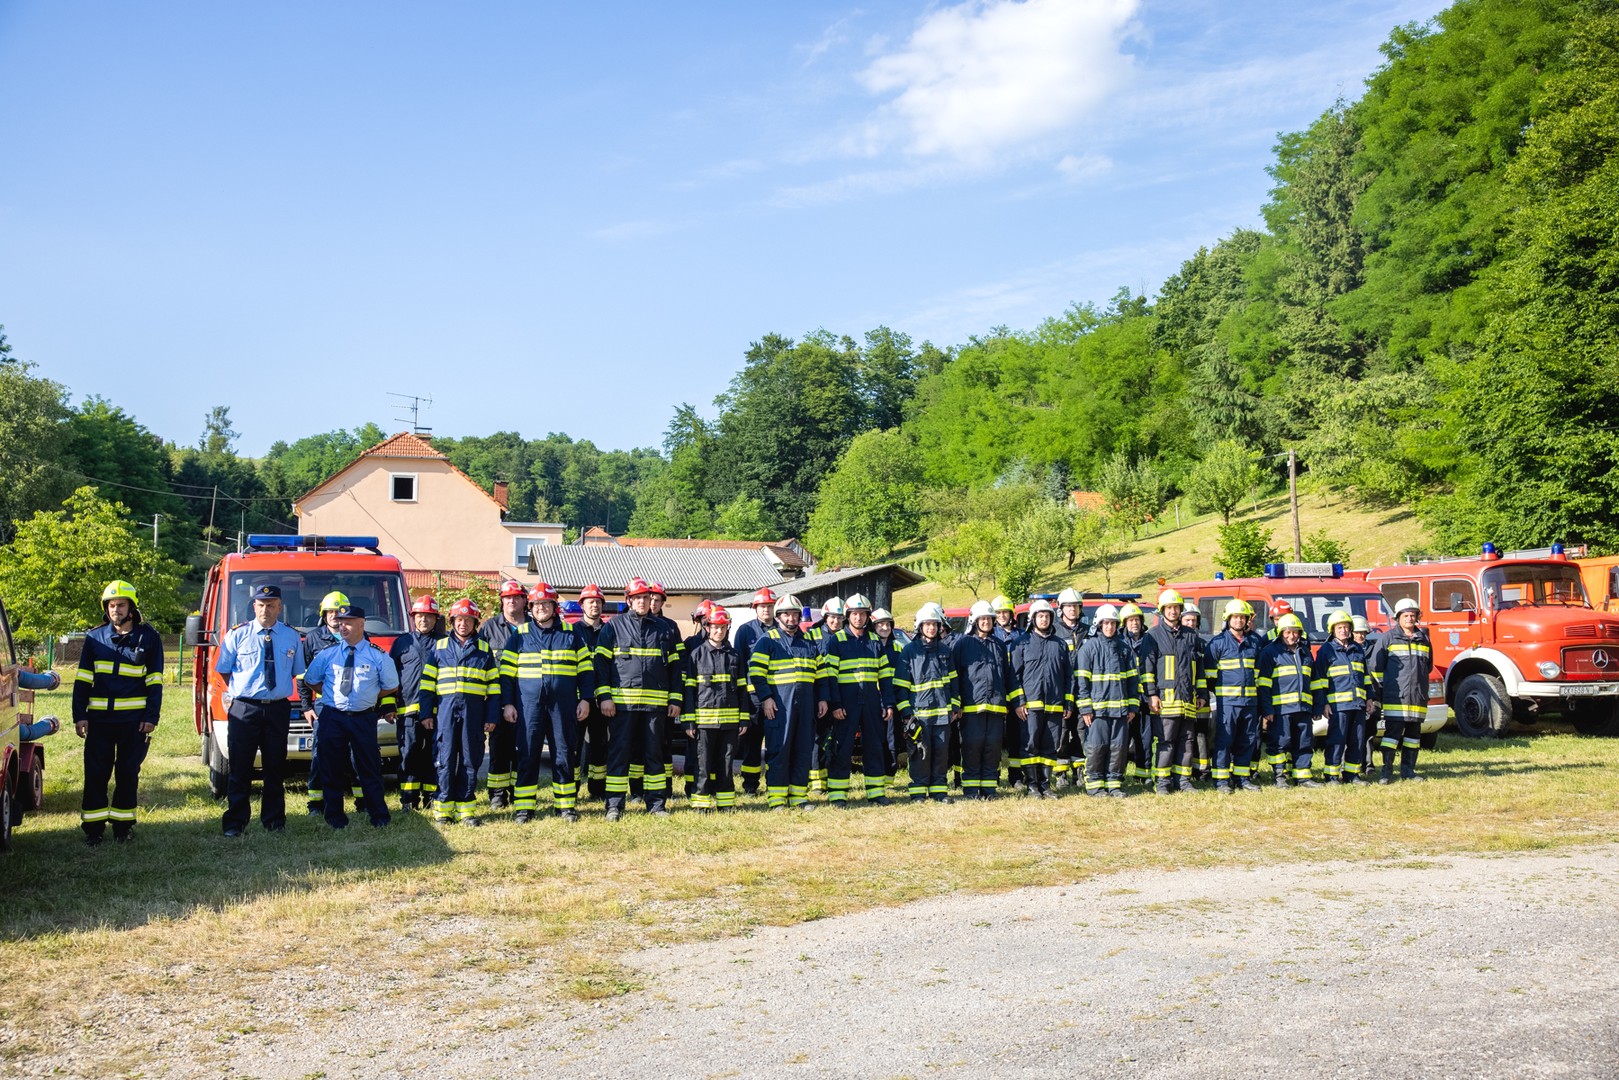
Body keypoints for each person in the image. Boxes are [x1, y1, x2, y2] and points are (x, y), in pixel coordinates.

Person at [73, 580, 164, 845]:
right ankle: (93, 829)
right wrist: (80, 715)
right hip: (99, 721)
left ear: (131, 608)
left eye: (120, 605)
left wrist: (151, 716)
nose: (115, 610)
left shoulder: (149, 638)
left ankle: (123, 827)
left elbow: (155, 681)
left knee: (127, 773)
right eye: (111, 605)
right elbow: (82, 680)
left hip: (133, 722)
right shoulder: (94, 638)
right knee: (96, 773)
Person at [214, 583, 306, 835]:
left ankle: (274, 822)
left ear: (280, 607)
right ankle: (235, 823)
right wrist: (242, 691)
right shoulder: (237, 635)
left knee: (275, 768)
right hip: (245, 709)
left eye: (271, 605)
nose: (266, 610)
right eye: (261, 605)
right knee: (240, 768)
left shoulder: (291, 636)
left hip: (277, 709)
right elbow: (224, 669)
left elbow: (297, 670)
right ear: (254, 606)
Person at [501, 583, 595, 822]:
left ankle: (565, 807)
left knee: (564, 753)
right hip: (528, 706)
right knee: (527, 753)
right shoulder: (519, 636)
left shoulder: (571, 634)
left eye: (546, 604)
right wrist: (508, 704)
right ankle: (524, 808)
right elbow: (506, 675)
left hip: (562, 706)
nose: (541, 608)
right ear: (530, 607)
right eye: (536, 604)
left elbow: (586, 671)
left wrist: (585, 699)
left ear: (554, 607)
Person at [301, 603, 399, 830]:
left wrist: (369, 694)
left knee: (369, 767)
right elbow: (311, 680)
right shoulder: (328, 654)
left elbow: (390, 686)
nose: (342, 626)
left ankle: (379, 816)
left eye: (348, 622)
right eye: (340, 622)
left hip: (363, 718)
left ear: (361, 624)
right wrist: (329, 695)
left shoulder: (378, 656)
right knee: (331, 768)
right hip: (332, 717)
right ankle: (335, 817)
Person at [594, 577, 683, 820]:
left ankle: (656, 805)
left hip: (655, 706)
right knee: (619, 755)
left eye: (646, 597)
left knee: (654, 755)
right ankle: (614, 805)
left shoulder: (664, 629)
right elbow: (601, 665)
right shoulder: (613, 627)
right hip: (622, 706)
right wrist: (604, 697)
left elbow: (676, 668)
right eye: (638, 598)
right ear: (629, 600)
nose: (643, 601)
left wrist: (675, 699)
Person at [747, 593, 825, 810]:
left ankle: (799, 797)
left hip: (807, 705)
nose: (790, 618)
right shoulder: (768, 641)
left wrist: (823, 699)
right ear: (779, 616)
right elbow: (756, 672)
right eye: (786, 614)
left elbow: (821, 674)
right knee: (779, 749)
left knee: (803, 749)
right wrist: (766, 698)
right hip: (780, 706)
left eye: (794, 614)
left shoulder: (808, 642)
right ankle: (777, 799)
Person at [821, 593, 895, 806]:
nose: (859, 618)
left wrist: (887, 703)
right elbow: (830, 676)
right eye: (855, 614)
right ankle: (837, 795)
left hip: (872, 703)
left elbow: (885, 676)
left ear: (867, 617)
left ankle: (875, 793)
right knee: (842, 748)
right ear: (848, 616)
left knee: (874, 746)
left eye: (863, 614)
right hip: (846, 704)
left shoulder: (874, 641)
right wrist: (835, 704)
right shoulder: (837, 641)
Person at [682, 606, 752, 812]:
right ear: (708, 627)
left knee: (726, 764)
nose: (719, 631)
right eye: (715, 627)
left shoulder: (735, 656)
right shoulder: (696, 654)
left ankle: (725, 804)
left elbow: (742, 690)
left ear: (727, 628)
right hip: (703, 723)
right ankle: (700, 805)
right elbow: (689, 691)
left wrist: (744, 719)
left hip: (730, 723)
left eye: (722, 627)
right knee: (702, 765)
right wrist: (688, 721)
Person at [951, 600, 1018, 800]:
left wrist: (1006, 703)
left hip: (996, 707)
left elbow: (1006, 675)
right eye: (983, 619)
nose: (987, 622)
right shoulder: (962, 644)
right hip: (971, 708)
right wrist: (957, 703)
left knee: (992, 749)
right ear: (974, 620)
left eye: (989, 619)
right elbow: (954, 676)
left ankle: (989, 789)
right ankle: (971, 791)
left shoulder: (998, 644)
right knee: (972, 748)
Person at [893, 603, 958, 802]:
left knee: (940, 754)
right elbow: (900, 687)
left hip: (942, 715)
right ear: (920, 627)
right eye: (927, 624)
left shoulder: (946, 651)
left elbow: (954, 681)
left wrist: (955, 706)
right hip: (918, 716)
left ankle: (939, 792)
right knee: (919, 754)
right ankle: (918, 792)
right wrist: (906, 715)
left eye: (935, 624)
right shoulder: (909, 652)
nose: (931, 628)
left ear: (940, 627)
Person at [298, 590, 355, 817]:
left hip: (353, 707)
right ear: (324, 614)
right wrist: (306, 706)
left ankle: (360, 801)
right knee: (320, 753)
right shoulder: (313, 638)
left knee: (355, 754)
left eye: (340, 612)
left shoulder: (358, 636)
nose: (335, 616)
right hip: (324, 707)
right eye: (330, 611)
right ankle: (315, 804)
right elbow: (304, 676)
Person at [1075, 604, 1139, 797]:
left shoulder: (1125, 650)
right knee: (1097, 747)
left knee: (1118, 749)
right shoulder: (1088, 649)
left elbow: (1133, 681)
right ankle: (1094, 785)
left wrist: (1133, 706)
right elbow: (1081, 682)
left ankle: (1114, 784)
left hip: (1120, 711)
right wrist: (1085, 708)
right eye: (1106, 623)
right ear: (1099, 624)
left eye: (1112, 623)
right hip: (1097, 711)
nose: (1109, 627)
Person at [1010, 598, 1071, 799]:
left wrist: (1068, 702)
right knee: (1030, 745)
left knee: (1051, 745)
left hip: (1054, 705)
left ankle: (1045, 784)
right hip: (1030, 706)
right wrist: (1019, 702)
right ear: (1032, 619)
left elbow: (1068, 676)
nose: (1044, 619)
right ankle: (1032, 785)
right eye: (1040, 616)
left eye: (1047, 616)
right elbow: (1014, 676)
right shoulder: (1021, 644)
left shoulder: (1060, 644)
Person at [1369, 597, 1432, 784]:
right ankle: (1386, 773)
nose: (1410, 619)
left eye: (1413, 615)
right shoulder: (1388, 638)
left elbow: (1427, 667)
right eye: (1406, 615)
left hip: (1417, 699)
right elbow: (1375, 668)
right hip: (1396, 698)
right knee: (1391, 737)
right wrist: (1384, 690)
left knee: (1413, 737)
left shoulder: (1423, 639)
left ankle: (1408, 771)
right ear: (1398, 617)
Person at [389, 595, 443, 811]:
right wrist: (389, 706)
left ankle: (431, 797)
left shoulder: (444, 643)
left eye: (428, 616)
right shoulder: (402, 643)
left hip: (438, 710)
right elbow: (390, 676)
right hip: (407, 711)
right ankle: (408, 800)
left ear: (435, 619)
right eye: (420, 616)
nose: (424, 620)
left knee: (433, 754)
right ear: (413, 618)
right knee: (408, 754)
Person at [478, 580, 529, 809]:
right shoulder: (488, 628)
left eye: (516, 597)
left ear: (525, 600)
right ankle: (498, 795)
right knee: (499, 749)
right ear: (501, 601)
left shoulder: (532, 626)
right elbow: (478, 663)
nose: (512, 601)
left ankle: (520, 793)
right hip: (497, 698)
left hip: (527, 698)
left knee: (523, 748)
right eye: (507, 597)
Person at [1205, 599, 1265, 793]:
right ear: (1228, 618)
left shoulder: (1254, 642)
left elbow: (1259, 673)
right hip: (1228, 702)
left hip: (1249, 702)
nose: (1239, 620)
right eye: (1235, 617)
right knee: (1224, 740)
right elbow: (1209, 675)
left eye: (1242, 617)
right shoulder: (1218, 643)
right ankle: (1221, 781)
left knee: (1247, 740)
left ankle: (1242, 778)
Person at [1148, 589, 1204, 794]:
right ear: (1163, 610)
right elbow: (1147, 668)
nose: (1173, 611)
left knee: (1187, 742)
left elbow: (1200, 668)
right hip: (1165, 701)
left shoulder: (1191, 636)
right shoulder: (1153, 636)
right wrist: (1152, 694)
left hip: (1188, 700)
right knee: (1166, 742)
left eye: (1176, 608)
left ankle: (1183, 781)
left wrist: (1203, 694)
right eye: (1169, 608)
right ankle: (1163, 783)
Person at [1258, 613, 1321, 788]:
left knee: (1304, 742)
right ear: (1280, 633)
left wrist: (1317, 707)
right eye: (1287, 632)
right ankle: (1280, 776)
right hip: (1280, 710)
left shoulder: (1305, 653)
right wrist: (1267, 709)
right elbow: (1263, 684)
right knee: (1280, 743)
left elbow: (1315, 683)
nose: (1291, 636)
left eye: (1295, 632)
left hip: (1303, 708)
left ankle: (1303, 777)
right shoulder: (1270, 653)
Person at [1312, 610, 1373, 784]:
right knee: (1336, 741)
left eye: (1346, 627)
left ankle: (1352, 775)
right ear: (1332, 630)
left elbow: (1365, 676)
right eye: (1340, 627)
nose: (1343, 631)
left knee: (1357, 741)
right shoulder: (1326, 651)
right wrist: (1323, 703)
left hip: (1358, 704)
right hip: (1338, 705)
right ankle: (1331, 776)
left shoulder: (1357, 650)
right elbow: (1319, 680)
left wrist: (1369, 698)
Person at [731, 588, 779, 797]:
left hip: (778, 696)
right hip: (753, 699)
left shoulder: (783, 628)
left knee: (776, 743)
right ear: (755, 608)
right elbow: (739, 664)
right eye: (762, 606)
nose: (766, 609)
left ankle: (774, 782)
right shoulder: (745, 631)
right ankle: (750, 786)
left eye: (769, 605)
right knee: (752, 744)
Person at [572, 584, 612, 800]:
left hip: (602, 699)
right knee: (575, 746)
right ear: (582, 605)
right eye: (590, 601)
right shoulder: (572, 631)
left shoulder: (610, 631)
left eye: (597, 601)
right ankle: (573, 788)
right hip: (578, 699)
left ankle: (597, 790)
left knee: (600, 746)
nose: (594, 605)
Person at [1119, 603, 1160, 790]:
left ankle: (1143, 774)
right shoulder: (1119, 642)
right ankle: (1118, 774)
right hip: (1124, 699)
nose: (1134, 623)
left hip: (1144, 699)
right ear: (1124, 623)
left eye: (1137, 620)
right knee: (1121, 739)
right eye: (1130, 620)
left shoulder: (1149, 640)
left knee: (1145, 738)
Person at [1051, 587, 1087, 788]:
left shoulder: (1088, 631)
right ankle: (1061, 774)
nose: (1072, 610)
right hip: (1063, 689)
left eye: (1075, 606)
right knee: (1063, 733)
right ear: (1061, 609)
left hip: (1082, 690)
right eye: (1068, 606)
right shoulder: (1055, 631)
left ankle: (1079, 772)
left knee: (1081, 732)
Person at [989, 595, 1024, 792]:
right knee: (993, 738)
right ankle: (992, 774)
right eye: (998, 613)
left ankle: (1016, 776)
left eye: (1005, 612)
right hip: (995, 693)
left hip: (1016, 693)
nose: (1002, 616)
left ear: (1012, 614)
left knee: (1016, 737)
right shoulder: (989, 633)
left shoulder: (1021, 636)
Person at [871, 607, 908, 790]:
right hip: (872, 701)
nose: (884, 627)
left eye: (887, 624)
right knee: (875, 740)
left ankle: (889, 778)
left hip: (891, 701)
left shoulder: (898, 648)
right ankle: (875, 776)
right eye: (880, 624)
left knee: (892, 739)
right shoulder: (870, 646)